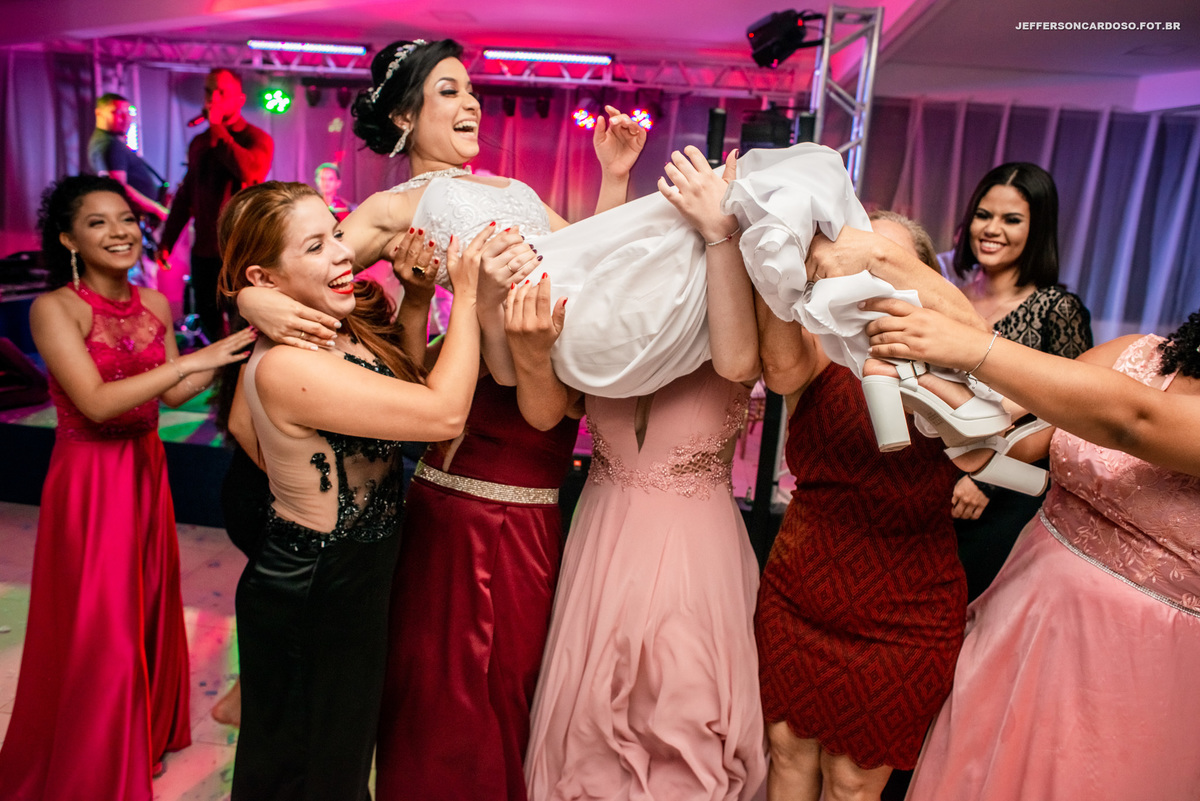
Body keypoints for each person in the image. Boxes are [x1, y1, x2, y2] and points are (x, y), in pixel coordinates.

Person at [236, 38, 646, 801]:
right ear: (403, 115)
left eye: (471, 92)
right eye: (448, 93)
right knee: (452, 691)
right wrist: (249, 298)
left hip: (548, 424)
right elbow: (296, 266)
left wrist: (613, 177)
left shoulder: (520, 191)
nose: (470, 105)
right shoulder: (393, 208)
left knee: (513, 682)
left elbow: (592, 266)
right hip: (482, 437)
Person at [217, 180, 531, 799]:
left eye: (336, 234)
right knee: (305, 772)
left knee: (340, 759)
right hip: (311, 583)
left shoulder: (344, 325)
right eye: (315, 246)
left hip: (358, 575)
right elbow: (440, 416)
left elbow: (408, 389)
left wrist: (416, 301)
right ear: (265, 279)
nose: (341, 254)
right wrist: (465, 298)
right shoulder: (288, 362)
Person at [863, 298, 1200, 801]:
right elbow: (1016, 433)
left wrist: (975, 347)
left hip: (1134, 662)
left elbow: (1134, 420)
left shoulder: (1137, 402)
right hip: (1022, 611)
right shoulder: (1136, 355)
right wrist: (938, 393)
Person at [510, 145, 766, 801]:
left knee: (684, 711)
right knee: (586, 725)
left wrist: (720, 235)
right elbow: (546, 414)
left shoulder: (735, 305)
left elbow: (744, 364)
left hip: (694, 548)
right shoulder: (609, 321)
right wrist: (535, 350)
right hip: (603, 531)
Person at [0, 175, 255, 800]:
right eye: (98, 223)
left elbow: (169, 394)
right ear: (68, 239)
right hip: (89, 478)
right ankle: (94, 757)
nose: (120, 232)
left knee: (141, 608)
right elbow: (94, 401)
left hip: (145, 470)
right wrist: (192, 360)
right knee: (99, 621)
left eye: (126, 220)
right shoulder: (54, 308)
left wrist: (234, 355)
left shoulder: (155, 305)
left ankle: (137, 737)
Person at [753, 211, 979, 801]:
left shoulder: (962, 364)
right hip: (798, 595)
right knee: (785, 757)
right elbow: (776, 361)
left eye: (884, 261)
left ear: (923, 280)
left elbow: (1001, 445)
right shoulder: (814, 348)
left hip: (905, 616)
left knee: (853, 785)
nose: (864, 273)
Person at [949, 162, 1093, 599]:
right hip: (933, 483)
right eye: (983, 215)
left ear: (1037, 229)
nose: (992, 229)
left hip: (1002, 498)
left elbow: (1067, 415)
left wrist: (986, 480)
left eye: (1012, 220)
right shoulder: (949, 298)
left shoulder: (1057, 308)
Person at [161, 68, 274, 341]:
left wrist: (217, 127)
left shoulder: (256, 138)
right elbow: (187, 194)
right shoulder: (200, 143)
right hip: (204, 251)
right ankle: (222, 379)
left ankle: (243, 380)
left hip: (238, 252)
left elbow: (248, 171)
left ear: (240, 99)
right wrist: (167, 240)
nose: (214, 97)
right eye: (209, 91)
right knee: (210, 323)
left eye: (222, 92)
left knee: (243, 323)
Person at [89, 93, 170, 222]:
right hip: (137, 218)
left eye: (128, 113)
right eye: (118, 113)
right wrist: (157, 209)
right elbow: (119, 188)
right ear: (99, 113)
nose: (126, 119)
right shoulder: (110, 145)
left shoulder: (103, 142)